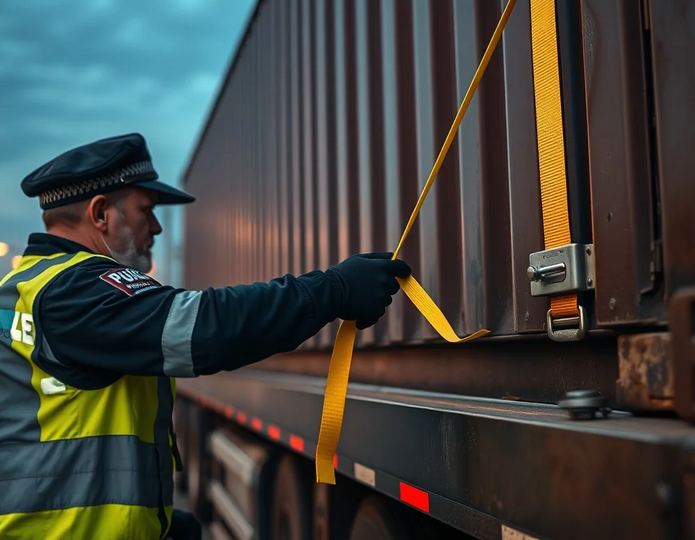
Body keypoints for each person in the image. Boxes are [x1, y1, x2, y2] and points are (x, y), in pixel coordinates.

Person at [0, 133, 411, 540]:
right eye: (147, 208)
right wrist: (332, 291)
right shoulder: (75, 292)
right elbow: (202, 328)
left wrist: (155, 522)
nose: (157, 226)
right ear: (101, 213)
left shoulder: (27, 286)